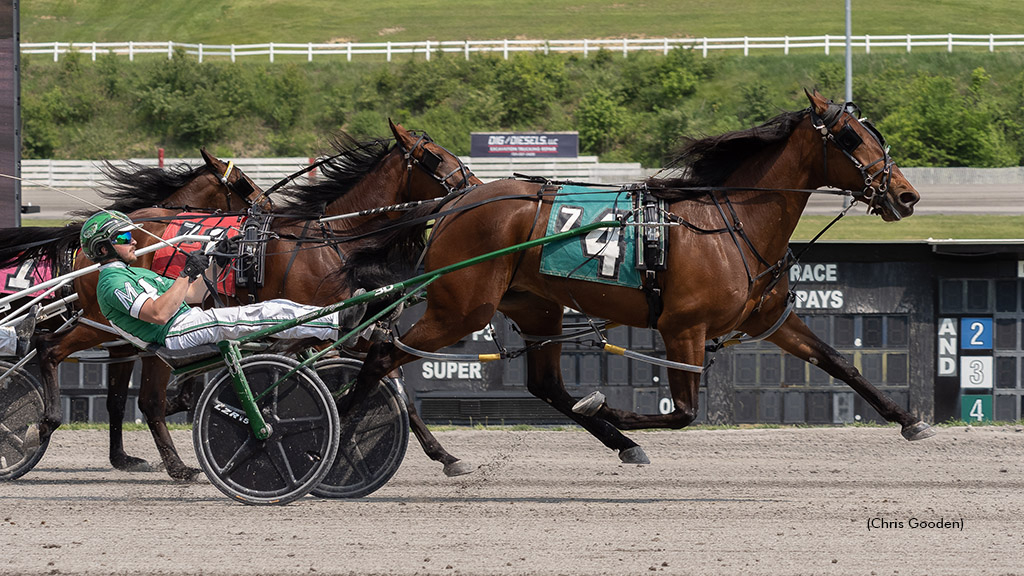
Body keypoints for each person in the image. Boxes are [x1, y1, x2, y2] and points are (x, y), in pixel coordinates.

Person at [80, 210, 364, 351]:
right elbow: (159, 313)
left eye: (130, 236)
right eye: (123, 238)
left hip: (185, 321)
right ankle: (339, 324)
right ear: (103, 249)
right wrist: (186, 272)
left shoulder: (135, 273)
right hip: (174, 332)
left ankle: (341, 323)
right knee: (266, 313)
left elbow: (191, 294)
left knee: (276, 306)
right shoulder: (111, 283)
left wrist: (217, 262)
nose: (132, 241)